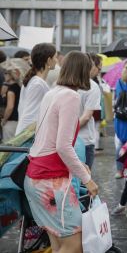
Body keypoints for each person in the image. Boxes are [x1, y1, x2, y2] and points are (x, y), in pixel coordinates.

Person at [23, 51, 99, 253]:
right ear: (83, 71)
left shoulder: (53, 92)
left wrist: (76, 166)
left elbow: (48, 139)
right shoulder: (71, 97)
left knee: (59, 244)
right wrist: (87, 179)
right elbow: (63, 146)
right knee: (74, 244)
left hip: (36, 177)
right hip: (51, 181)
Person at [16, 43, 57, 135]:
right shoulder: (37, 83)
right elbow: (29, 113)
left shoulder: (34, 80)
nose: (56, 60)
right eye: (55, 57)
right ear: (49, 60)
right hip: (29, 136)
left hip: (27, 133)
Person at [77, 53, 102, 169]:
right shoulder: (92, 86)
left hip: (67, 140)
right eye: (99, 69)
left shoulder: (64, 82)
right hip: (84, 141)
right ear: (91, 66)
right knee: (84, 182)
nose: (98, 72)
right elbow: (86, 117)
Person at [113, 59, 127, 178]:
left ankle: (119, 171)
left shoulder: (119, 81)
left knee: (120, 144)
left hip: (119, 118)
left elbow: (116, 97)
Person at [1, 62, 22, 142]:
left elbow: (10, 107)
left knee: (8, 149)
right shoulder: (19, 86)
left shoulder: (11, 90)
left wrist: (4, 120)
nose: (4, 75)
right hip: (18, 120)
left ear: (10, 74)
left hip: (11, 122)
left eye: (6, 73)